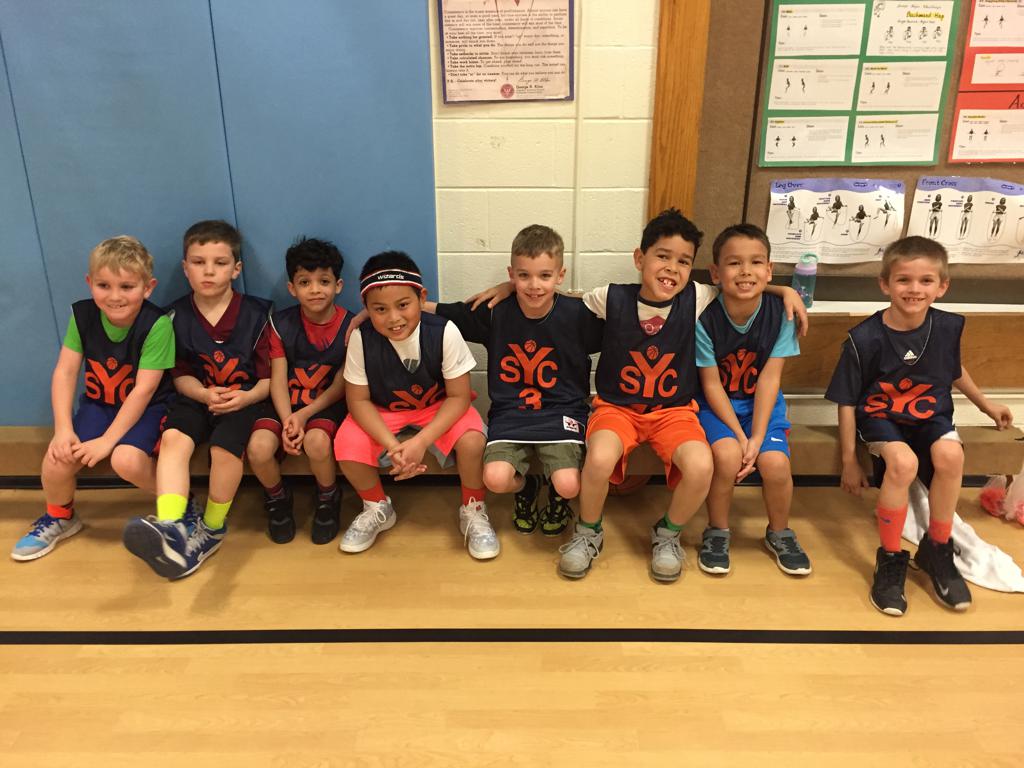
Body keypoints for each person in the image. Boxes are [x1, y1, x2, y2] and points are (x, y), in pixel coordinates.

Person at [554, 209, 808, 582]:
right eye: (662, 256)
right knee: (599, 458)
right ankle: (588, 531)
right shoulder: (610, 297)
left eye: (683, 261)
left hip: (673, 411)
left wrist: (784, 289)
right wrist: (512, 288)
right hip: (618, 408)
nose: (672, 268)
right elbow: (558, 298)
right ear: (639, 258)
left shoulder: (698, 297)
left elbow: (742, 284)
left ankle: (668, 532)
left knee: (702, 466)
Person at [826, 236, 1013, 616]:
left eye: (926, 280)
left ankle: (937, 548)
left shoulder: (946, 327)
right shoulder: (864, 338)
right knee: (903, 464)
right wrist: (849, 460)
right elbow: (846, 401)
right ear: (885, 284)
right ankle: (890, 557)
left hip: (930, 416)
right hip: (881, 418)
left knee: (950, 456)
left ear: (942, 286)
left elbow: (953, 369)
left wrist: (986, 404)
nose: (914, 289)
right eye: (904, 280)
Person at [123, 220, 273, 579]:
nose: (208, 271)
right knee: (174, 439)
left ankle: (212, 527)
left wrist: (245, 397)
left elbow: (272, 379)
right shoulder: (173, 316)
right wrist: (204, 394)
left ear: (236, 269)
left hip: (247, 400)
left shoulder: (259, 314)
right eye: (198, 262)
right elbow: (180, 375)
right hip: (197, 396)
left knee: (224, 450)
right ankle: (171, 524)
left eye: (220, 263)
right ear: (185, 267)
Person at [431, 225, 604, 537]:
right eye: (524, 276)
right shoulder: (495, 312)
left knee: (569, 485)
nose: (534, 285)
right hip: (511, 414)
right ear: (511, 274)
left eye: (544, 275)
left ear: (561, 275)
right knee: (495, 479)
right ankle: (528, 488)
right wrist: (388, 311)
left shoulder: (578, 315)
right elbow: (444, 311)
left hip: (562, 413)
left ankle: (557, 496)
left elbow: (632, 312)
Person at [11, 237, 174, 561]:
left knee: (126, 461)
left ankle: (180, 505)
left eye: (127, 286)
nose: (114, 296)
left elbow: (143, 391)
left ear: (148, 287)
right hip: (99, 405)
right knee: (57, 458)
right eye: (104, 285)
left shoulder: (157, 324)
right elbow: (65, 372)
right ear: (90, 283)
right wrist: (62, 429)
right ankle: (61, 516)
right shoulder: (83, 316)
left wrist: (107, 441)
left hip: (149, 409)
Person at [336, 251, 495, 559]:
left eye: (403, 305)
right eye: (380, 309)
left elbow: (459, 397)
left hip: (438, 405)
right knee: (346, 442)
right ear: (366, 308)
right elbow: (358, 400)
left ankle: (473, 507)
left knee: (474, 441)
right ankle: (377, 506)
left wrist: (421, 441)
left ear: (421, 298)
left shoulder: (444, 330)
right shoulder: (361, 337)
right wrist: (392, 445)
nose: (393, 318)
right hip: (384, 411)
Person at [694, 224, 810, 577]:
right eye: (734, 263)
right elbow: (711, 385)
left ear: (769, 270)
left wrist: (757, 437)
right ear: (716, 273)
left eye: (756, 262)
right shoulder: (704, 316)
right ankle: (717, 531)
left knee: (775, 465)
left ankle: (780, 532)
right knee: (727, 457)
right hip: (716, 407)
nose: (746, 271)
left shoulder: (782, 314)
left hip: (763, 408)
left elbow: (770, 379)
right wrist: (740, 437)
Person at [246, 237, 354, 545]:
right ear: (292, 288)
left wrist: (304, 416)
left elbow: (341, 384)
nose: (315, 289)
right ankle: (277, 498)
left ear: (338, 285)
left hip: (324, 404)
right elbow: (277, 378)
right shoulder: (280, 324)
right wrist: (287, 420)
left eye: (324, 281)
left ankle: (328, 496)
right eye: (305, 282)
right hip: (286, 404)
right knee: (258, 448)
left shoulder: (351, 327)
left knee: (317, 442)